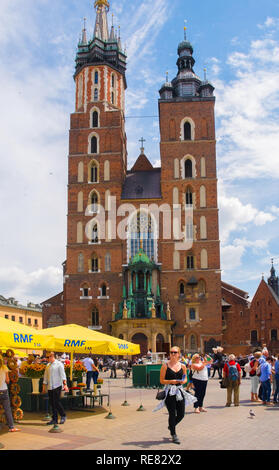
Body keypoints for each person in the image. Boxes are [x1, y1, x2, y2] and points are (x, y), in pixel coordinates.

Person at [157, 346, 188, 444]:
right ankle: (174, 434)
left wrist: (183, 381)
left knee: (181, 414)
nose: (173, 354)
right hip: (170, 392)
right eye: (171, 352)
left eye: (175, 352)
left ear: (179, 354)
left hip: (179, 391)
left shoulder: (183, 366)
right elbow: (161, 380)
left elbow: (186, 378)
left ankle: (171, 426)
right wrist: (171, 381)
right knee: (172, 413)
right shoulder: (165, 366)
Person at [42, 351, 68, 425]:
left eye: (48, 357)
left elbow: (63, 375)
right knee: (52, 403)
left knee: (56, 402)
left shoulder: (59, 364)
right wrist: (44, 387)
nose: (47, 359)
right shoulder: (48, 366)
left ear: (52, 356)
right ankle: (54, 419)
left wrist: (65, 385)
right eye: (46, 357)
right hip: (50, 386)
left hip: (57, 385)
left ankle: (63, 415)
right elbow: (45, 377)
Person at [0, 354, 20, 432]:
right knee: (7, 409)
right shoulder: (5, 368)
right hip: (4, 390)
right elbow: (7, 380)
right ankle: (11, 427)